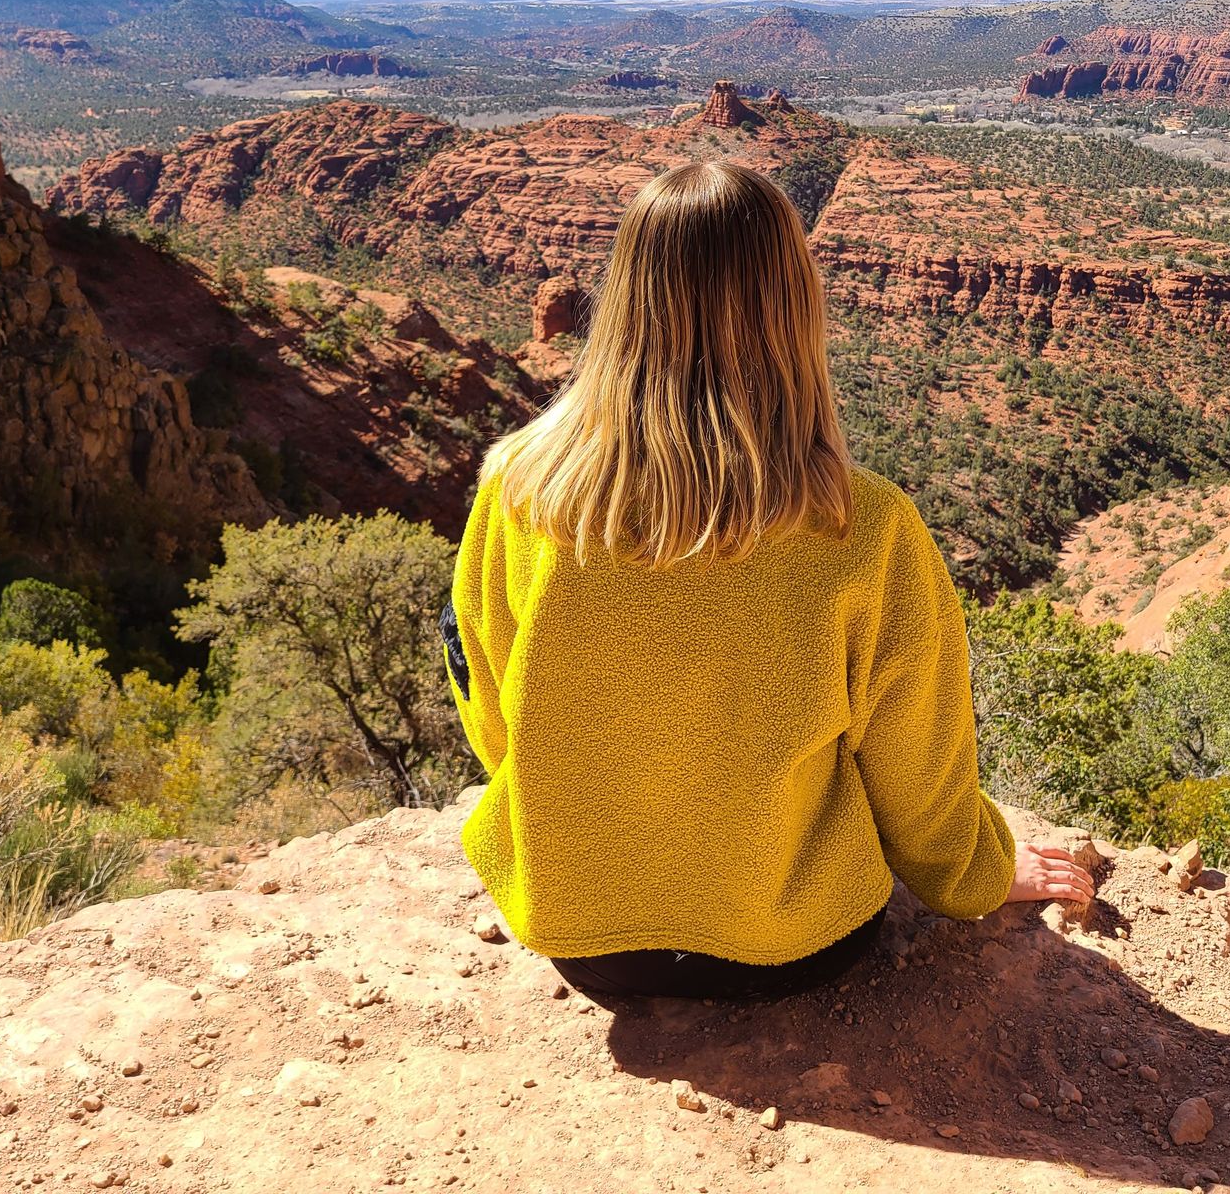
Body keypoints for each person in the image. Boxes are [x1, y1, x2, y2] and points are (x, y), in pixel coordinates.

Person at [442, 160, 1093, 1000]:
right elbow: (916, 763)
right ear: (794, 305)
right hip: (797, 940)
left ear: (627, 302)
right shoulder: (864, 526)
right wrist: (976, 872)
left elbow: (488, 703)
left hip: (583, 938)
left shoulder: (520, 493)